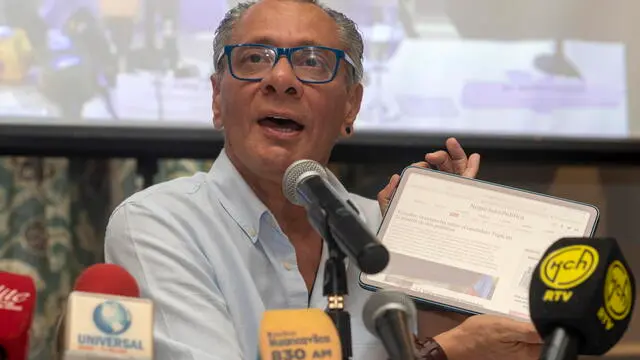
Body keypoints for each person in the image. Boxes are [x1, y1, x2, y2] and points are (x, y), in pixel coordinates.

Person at [104, 1, 542, 359]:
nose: (281, 80)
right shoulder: (156, 224)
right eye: (255, 58)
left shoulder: (382, 228)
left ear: (351, 105)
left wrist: (440, 250)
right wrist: (441, 355)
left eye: (312, 62)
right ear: (217, 98)